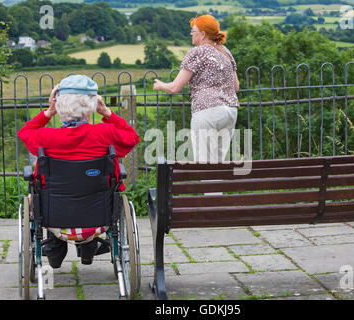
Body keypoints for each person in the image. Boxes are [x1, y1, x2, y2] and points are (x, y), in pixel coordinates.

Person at [18, 75, 140, 268]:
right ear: (92, 105)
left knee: (49, 194)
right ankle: (87, 249)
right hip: (99, 215)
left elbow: (24, 132)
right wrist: (107, 112)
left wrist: (48, 112)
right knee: (91, 189)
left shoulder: (46, 137)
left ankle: (54, 254)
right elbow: (132, 137)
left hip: (53, 216)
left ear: (59, 104)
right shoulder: (104, 133)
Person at [153, 14, 239, 163]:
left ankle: (206, 186)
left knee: (204, 163)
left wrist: (160, 85)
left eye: (193, 31)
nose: (191, 34)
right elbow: (235, 86)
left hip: (207, 111)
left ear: (203, 34)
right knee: (220, 162)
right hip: (230, 111)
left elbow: (175, 87)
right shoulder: (225, 51)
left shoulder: (197, 52)